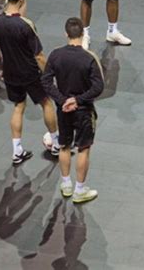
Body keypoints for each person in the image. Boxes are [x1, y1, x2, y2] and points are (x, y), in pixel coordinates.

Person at [0, 0, 58, 165]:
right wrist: (49, 75)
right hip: (30, 73)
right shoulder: (26, 25)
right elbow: (39, 56)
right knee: (46, 103)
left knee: (19, 106)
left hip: (10, 74)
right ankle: (57, 143)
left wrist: (2, 67)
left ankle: (17, 150)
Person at [42, 17, 104, 204]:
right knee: (84, 148)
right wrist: (77, 100)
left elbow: (46, 81)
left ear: (66, 34)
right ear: (82, 34)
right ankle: (80, 190)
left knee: (64, 145)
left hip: (63, 110)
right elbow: (98, 87)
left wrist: (62, 101)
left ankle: (66, 184)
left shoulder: (55, 55)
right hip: (83, 110)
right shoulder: (89, 58)